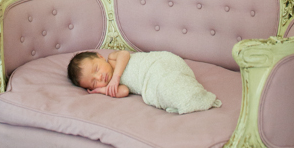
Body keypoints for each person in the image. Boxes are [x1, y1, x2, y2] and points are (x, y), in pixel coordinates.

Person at [67, 49, 221, 114]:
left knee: (168, 77)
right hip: (150, 79)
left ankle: (195, 97)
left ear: (100, 57)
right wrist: (103, 90)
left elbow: (125, 55)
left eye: (96, 69)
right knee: (164, 89)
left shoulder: (112, 59)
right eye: (94, 82)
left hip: (156, 63)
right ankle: (190, 99)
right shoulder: (111, 85)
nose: (99, 77)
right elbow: (124, 91)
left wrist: (116, 77)